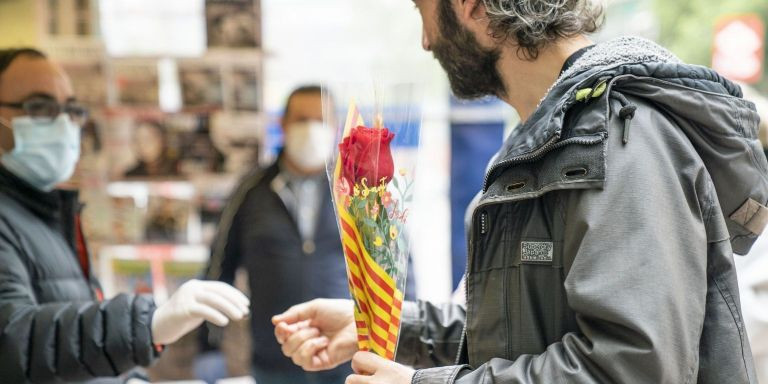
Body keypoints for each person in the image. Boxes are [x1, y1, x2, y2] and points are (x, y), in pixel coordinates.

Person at [273, 1, 768, 383]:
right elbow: (520, 330)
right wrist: (395, 327)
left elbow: (629, 370)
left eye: (423, 11)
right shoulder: (551, 138)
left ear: (472, 6)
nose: (425, 40)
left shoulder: (623, 138)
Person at [0, 48, 250, 383]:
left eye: (71, 109)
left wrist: (131, 379)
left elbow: (74, 358)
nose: (62, 122)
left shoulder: (49, 213)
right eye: (40, 107)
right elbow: (15, 341)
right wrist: (148, 324)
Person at [203, 85, 415, 384]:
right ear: (283, 124)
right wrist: (208, 346)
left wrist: (406, 343)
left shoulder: (361, 192)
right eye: (301, 119)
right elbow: (218, 267)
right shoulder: (251, 191)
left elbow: (398, 270)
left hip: (350, 362)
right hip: (273, 362)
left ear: (336, 127)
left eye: (320, 120)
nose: (311, 128)